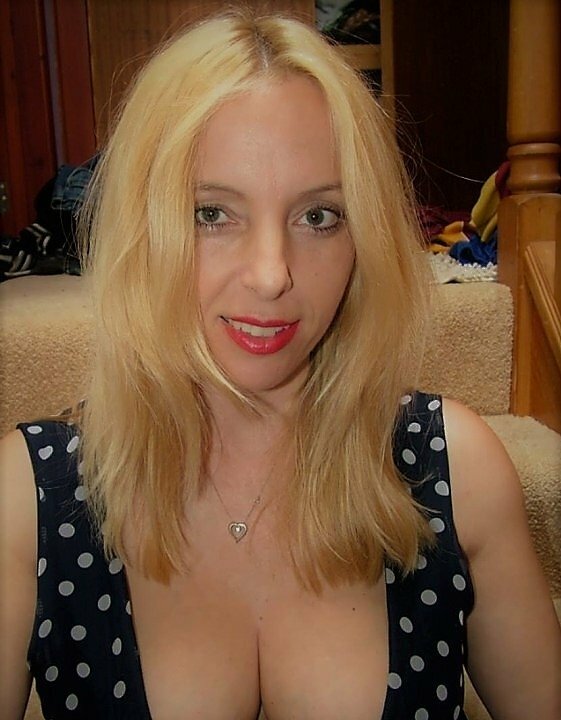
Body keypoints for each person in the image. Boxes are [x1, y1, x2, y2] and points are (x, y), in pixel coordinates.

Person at [1, 10, 560, 720]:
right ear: (142, 227)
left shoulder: (455, 469)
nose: (271, 275)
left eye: (318, 216)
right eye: (212, 213)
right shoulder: (30, 499)